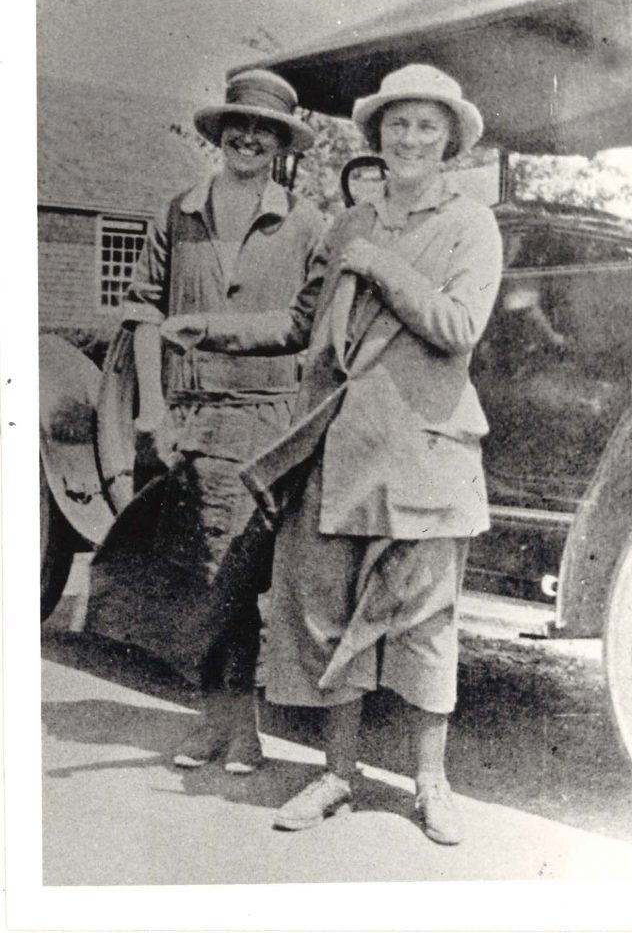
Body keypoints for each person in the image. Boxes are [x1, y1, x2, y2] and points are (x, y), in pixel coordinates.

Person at [161, 64, 503, 844]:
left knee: (423, 623)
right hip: (338, 449)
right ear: (375, 136)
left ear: (448, 138)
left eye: (425, 126)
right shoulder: (350, 222)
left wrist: (382, 265)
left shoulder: (468, 223)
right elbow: (299, 324)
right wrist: (206, 326)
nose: (409, 139)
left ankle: (430, 783)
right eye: (396, 126)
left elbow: (457, 329)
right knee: (326, 621)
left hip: (424, 452)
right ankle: (337, 775)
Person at [123, 69, 324, 773]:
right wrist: (151, 403)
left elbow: (307, 328)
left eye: (263, 129)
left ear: (279, 143)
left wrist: (213, 330)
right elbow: (145, 313)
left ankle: (241, 729)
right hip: (188, 417)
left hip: (266, 420)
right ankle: (217, 722)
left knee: (240, 575)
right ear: (218, 136)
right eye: (236, 125)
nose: (248, 136)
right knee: (196, 575)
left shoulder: (304, 223)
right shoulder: (178, 212)